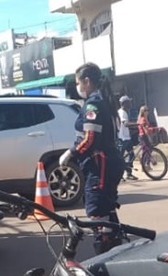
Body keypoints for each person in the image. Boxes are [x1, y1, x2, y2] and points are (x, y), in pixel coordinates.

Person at [58, 62, 124, 254]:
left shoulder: (93, 104)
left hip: (100, 166)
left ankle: (104, 254)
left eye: (78, 83)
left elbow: (91, 138)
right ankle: (115, 249)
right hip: (105, 164)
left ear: (87, 81)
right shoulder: (101, 100)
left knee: (97, 211)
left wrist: (71, 152)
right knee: (107, 209)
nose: (77, 87)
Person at [116, 95, 137, 180]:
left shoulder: (125, 112)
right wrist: (137, 124)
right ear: (124, 103)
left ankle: (128, 173)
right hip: (122, 138)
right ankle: (119, 174)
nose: (130, 104)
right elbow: (125, 124)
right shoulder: (121, 112)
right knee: (120, 157)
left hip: (126, 137)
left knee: (131, 155)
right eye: (129, 102)